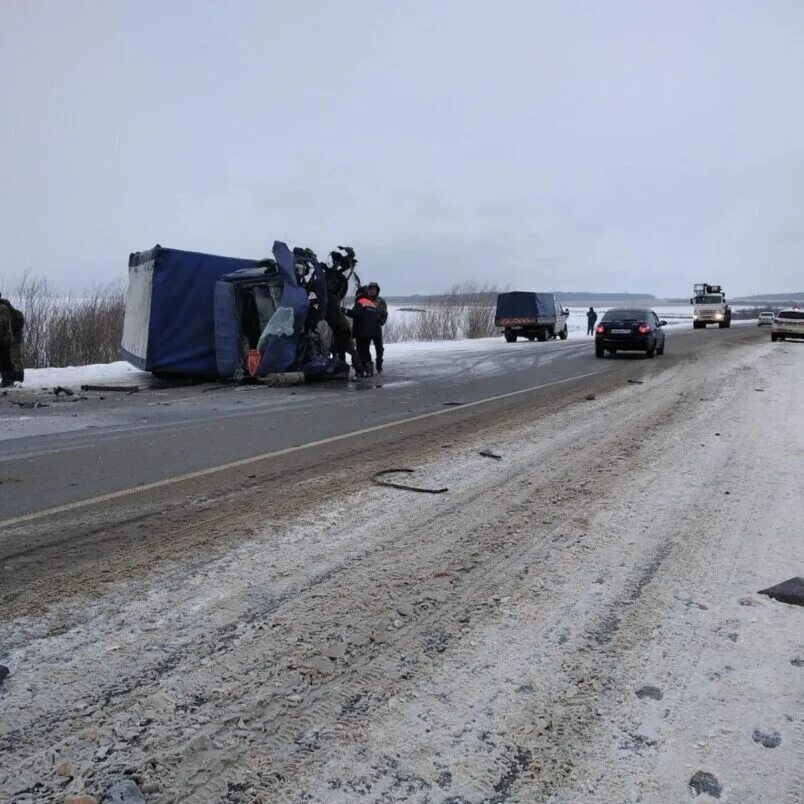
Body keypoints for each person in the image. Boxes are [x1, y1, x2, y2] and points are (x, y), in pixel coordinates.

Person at [350, 287, 379, 377]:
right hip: (371, 332)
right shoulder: (372, 304)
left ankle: (360, 370)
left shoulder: (360, 302)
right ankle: (369, 370)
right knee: (366, 351)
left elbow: (355, 314)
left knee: (359, 351)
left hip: (361, 331)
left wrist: (344, 310)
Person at [366, 282, 387, 373]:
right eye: (370, 289)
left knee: (379, 348)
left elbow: (384, 314)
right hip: (366, 328)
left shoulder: (380, 301)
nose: (372, 291)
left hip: (376, 327)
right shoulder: (365, 300)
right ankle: (368, 366)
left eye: (374, 289)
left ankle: (379, 366)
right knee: (365, 348)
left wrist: (380, 322)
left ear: (377, 290)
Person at [0, 294, 15, 387]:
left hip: (4, 339)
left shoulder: (2, 308)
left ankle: (7, 381)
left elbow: (1, 323)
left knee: (4, 360)